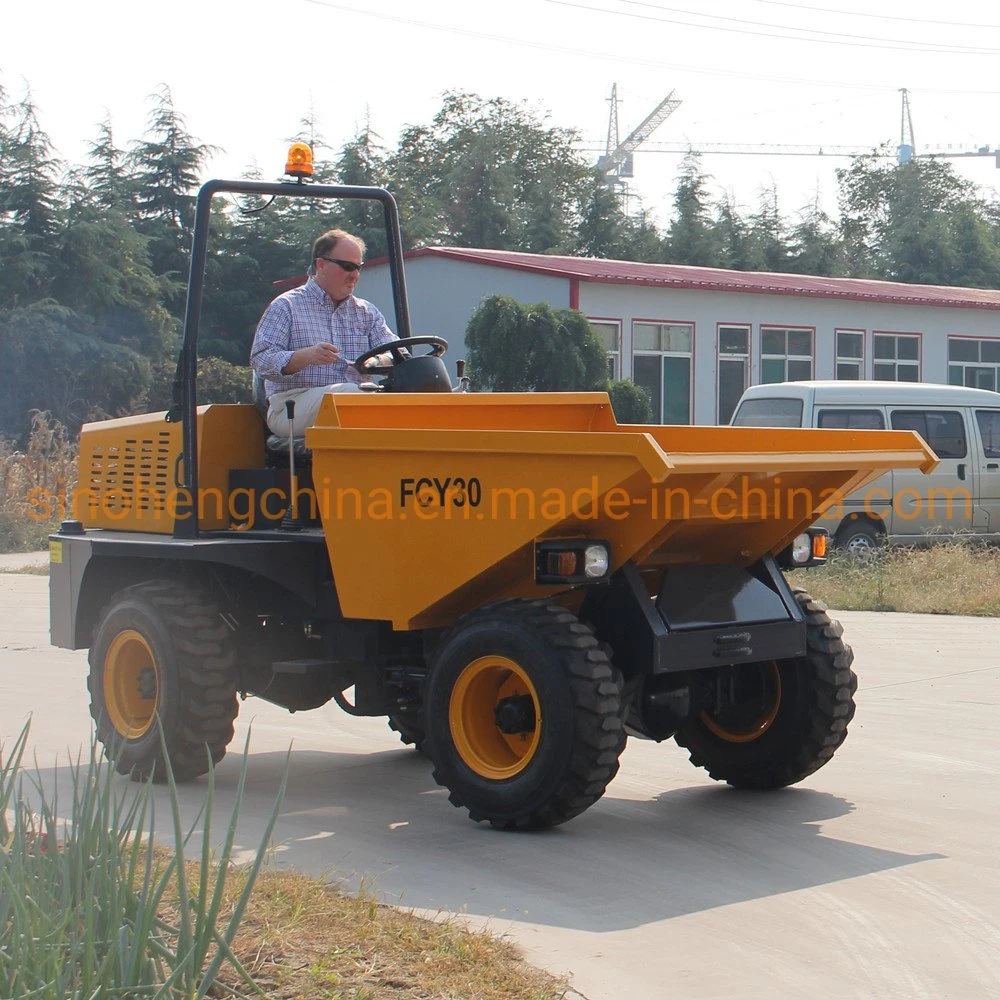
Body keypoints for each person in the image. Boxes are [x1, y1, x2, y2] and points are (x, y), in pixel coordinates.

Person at [250, 228, 397, 436]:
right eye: (347, 266)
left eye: (358, 267)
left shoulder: (367, 312)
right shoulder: (286, 306)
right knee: (350, 397)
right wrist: (305, 356)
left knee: (413, 398)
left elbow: (396, 353)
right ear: (321, 265)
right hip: (292, 403)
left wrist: (378, 361)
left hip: (357, 400)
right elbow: (261, 360)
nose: (354, 274)